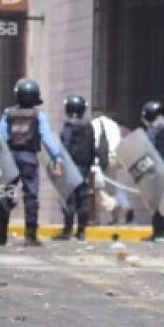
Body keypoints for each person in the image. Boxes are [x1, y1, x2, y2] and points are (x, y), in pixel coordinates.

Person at [0, 78, 63, 247]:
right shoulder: (38, 115)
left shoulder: (7, 113)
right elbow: (47, 139)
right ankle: (30, 236)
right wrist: (56, 158)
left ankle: (1, 236)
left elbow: (1, 138)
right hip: (29, 158)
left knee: (6, 194)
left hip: (10, 158)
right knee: (31, 196)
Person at [56, 94, 95, 241]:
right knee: (82, 199)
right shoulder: (89, 126)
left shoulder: (68, 125)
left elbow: (64, 146)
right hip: (84, 168)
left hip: (70, 167)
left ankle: (67, 230)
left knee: (69, 199)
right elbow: (92, 148)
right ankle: (81, 231)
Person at [140, 101, 164, 242]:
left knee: (156, 202)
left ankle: (158, 232)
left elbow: (148, 148)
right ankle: (161, 231)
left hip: (156, 170)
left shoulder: (154, 128)